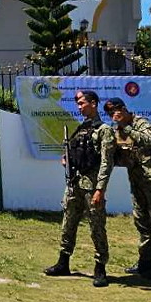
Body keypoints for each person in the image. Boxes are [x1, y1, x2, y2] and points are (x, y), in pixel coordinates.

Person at [44, 90, 116, 288]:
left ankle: (100, 268)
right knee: (68, 223)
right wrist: (67, 159)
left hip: (92, 186)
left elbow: (106, 163)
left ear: (93, 103)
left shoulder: (104, 130)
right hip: (75, 183)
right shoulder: (81, 128)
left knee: (96, 226)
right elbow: (74, 152)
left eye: (82, 103)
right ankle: (63, 262)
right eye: (78, 103)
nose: (79, 107)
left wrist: (100, 189)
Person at [105, 97, 151, 280]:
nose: (113, 115)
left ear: (123, 109)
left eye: (115, 111)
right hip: (136, 182)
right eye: (110, 113)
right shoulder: (116, 130)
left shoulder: (141, 123)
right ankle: (145, 262)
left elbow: (147, 140)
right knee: (142, 223)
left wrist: (126, 127)